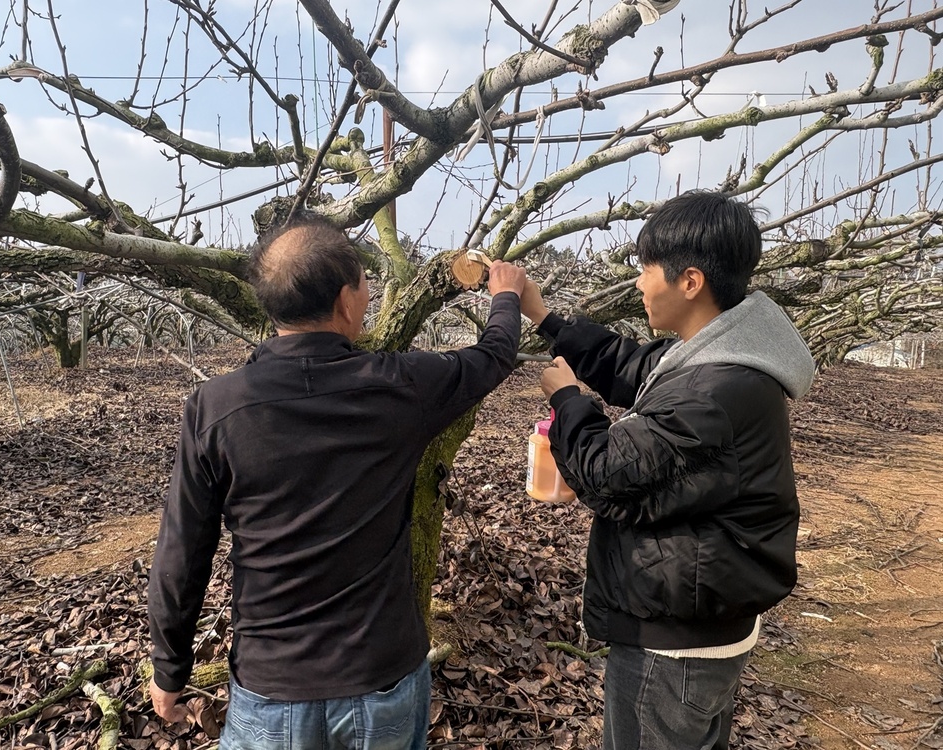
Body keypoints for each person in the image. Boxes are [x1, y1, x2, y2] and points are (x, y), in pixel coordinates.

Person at [147, 216, 527, 750]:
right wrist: (506, 296)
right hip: (380, 678)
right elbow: (492, 356)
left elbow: (183, 550)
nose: (370, 296)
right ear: (347, 301)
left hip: (271, 683)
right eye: (365, 285)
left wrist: (169, 668)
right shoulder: (400, 386)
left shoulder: (215, 408)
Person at [519, 191, 815, 750]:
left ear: (690, 281)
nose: (637, 283)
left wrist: (567, 403)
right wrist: (541, 313)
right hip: (703, 616)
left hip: (675, 644)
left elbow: (606, 472)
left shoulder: (715, 391)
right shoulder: (716, 355)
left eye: (645, 269)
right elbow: (631, 367)